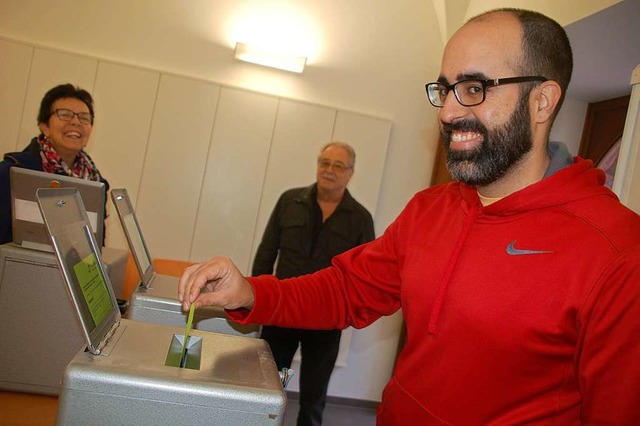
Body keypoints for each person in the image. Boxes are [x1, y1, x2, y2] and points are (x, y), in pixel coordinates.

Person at [179, 8, 640, 424]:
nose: (449, 111)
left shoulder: (618, 252)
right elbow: (346, 290)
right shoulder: (430, 209)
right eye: (444, 89)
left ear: (542, 102)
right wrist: (249, 292)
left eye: (474, 88)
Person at [252, 141, 375, 426]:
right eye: (324, 162)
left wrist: (348, 314)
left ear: (350, 173)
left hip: (326, 323)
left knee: (313, 397)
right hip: (280, 314)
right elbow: (266, 254)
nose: (329, 170)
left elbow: (365, 276)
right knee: (267, 389)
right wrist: (258, 302)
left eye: (338, 165)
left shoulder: (360, 219)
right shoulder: (288, 201)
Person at [0, 83, 109, 246]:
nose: (75, 122)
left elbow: (96, 245)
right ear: (45, 126)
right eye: (65, 115)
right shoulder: (11, 173)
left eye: (84, 117)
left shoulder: (96, 183)